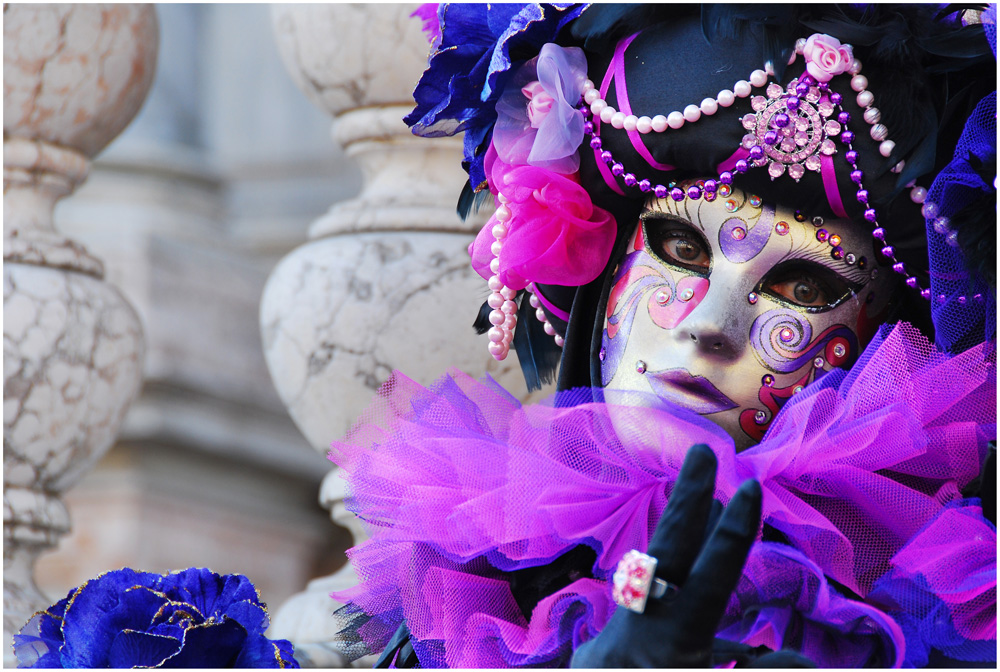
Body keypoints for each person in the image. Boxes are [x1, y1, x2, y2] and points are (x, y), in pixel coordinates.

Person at [327, 4, 996, 668]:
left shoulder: (933, 618)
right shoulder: (476, 594)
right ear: (608, 270)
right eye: (680, 246)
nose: (711, 329)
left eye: (803, 289)